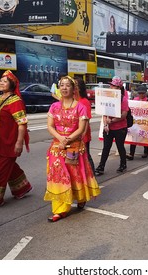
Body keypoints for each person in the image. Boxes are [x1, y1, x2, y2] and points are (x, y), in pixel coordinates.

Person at [44, 76, 100, 222]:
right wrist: (60, 138)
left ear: (73, 88)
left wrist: (67, 139)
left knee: (75, 175)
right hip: (57, 146)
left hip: (74, 146)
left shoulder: (80, 106)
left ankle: (80, 197)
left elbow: (81, 129)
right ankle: (60, 209)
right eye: (61, 85)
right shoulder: (54, 107)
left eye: (67, 85)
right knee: (58, 176)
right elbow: (50, 126)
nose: (64, 88)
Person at [0, 70, 32, 210]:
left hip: (10, 142)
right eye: (0, 80)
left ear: (11, 85)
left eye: (5, 81)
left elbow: (22, 124)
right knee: (9, 166)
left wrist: (19, 142)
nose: (1, 83)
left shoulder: (15, 101)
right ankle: (22, 187)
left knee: (2, 170)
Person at [95, 76, 129, 175]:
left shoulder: (123, 99)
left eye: (114, 86)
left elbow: (124, 115)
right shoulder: (107, 97)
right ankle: (101, 167)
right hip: (108, 127)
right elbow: (104, 112)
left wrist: (112, 121)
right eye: (111, 85)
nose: (111, 87)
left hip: (120, 128)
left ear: (119, 88)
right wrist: (106, 124)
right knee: (106, 147)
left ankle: (123, 164)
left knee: (120, 146)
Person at [75, 78, 95, 172]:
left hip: (83, 134)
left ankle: (92, 176)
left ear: (79, 88)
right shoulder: (71, 100)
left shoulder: (84, 101)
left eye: (75, 85)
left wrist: (82, 134)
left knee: (86, 155)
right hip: (72, 134)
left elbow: (87, 120)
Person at [127, 85, 148, 160]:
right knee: (134, 136)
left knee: (144, 137)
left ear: (145, 93)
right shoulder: (135, 100)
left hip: (144, 122)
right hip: (135, 121)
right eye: (140, 93)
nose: (141, 95)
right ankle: (131, 154)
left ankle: (146, 152)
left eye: (142, 93)